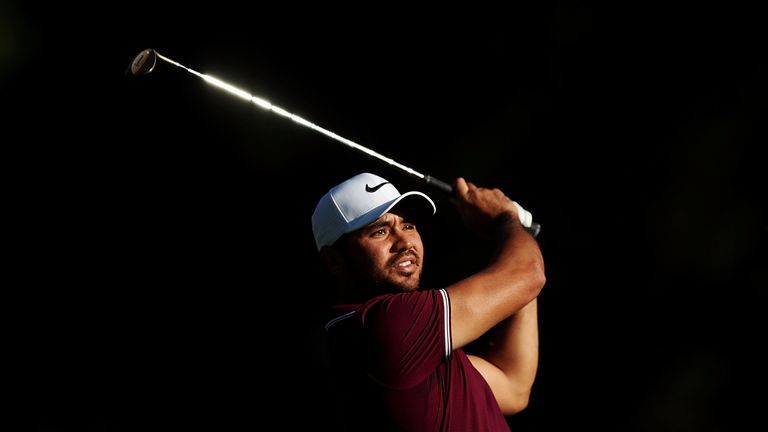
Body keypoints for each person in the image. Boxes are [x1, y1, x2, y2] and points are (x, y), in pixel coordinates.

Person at [312, 172, 545, 431]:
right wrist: (505, 220)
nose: (404, 242)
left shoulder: (408, 342)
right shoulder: (385, 326)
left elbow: (513, 386)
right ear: (334, 260)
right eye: (379, 231)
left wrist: (517, 234)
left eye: (408, 225)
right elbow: (528, 275)